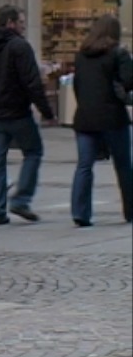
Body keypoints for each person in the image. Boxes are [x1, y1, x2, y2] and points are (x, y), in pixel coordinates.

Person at [0, 4, 55, 226]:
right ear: (10, 23)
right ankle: (21, 199)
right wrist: (47, 112)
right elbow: (32, 82)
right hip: (16, 111)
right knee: (33, 151)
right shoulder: (19, 46)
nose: (23, 27)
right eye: (20, 22)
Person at [71, 14, 133, 227]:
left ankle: (80, 212)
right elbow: (129, 81)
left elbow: (77, 85)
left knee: (84, 165)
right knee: (123, 165)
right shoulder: (118, 53)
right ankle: (130, 210)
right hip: (112, 116)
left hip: (85, 117)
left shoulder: (82, 55)